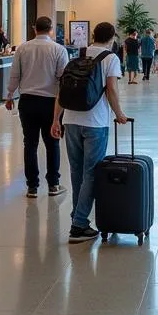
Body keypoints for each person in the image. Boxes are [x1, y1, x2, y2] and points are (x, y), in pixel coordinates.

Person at [53, 21, 129, 243]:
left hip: (71, 120)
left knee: (77, 172)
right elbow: (112, 90)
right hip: (95, 123)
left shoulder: (77, 55)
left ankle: (80, 219)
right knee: (91, 173)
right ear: (112, 37)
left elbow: (63, 90)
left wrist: (56, 119)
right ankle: (78, 225)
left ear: (93, 35)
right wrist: (119, 113)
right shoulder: (110, 58)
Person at [5, 16, 69, 198]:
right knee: (52, 143)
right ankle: (53, 185)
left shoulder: (22, 48)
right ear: (51, 30)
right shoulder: (58, 49)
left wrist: (10, 95)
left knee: (30, 144)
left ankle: (32, 186)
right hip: (51, 102)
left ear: (34, 29)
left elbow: (14, 75)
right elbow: (63, 78)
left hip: (27, 101)